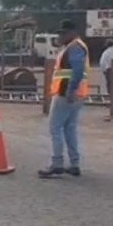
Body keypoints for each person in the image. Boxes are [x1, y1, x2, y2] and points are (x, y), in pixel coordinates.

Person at [38, 20, 89, 178]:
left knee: (55, 127)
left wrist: (70, 90)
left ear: (72, 33)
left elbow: (78, 69)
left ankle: (57, 163)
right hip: (76, 93)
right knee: (69, 128)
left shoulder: (74, 47)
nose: (60, 36)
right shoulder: (76, 46)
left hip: (66, 93)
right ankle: (74, 164)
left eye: (63, 33)